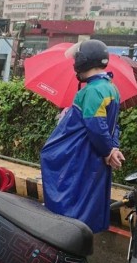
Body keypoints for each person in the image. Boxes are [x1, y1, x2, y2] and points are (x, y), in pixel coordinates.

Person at [40, 40, 125, 234]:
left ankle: (65, 239)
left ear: (83, 61)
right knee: (87, 200)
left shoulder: (93, 90)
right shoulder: (110, 87)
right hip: (94, 156)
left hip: (82, 155)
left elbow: (95, 126)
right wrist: (113, 148)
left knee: (71, 197)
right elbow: (112, 125)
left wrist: (107, 150)